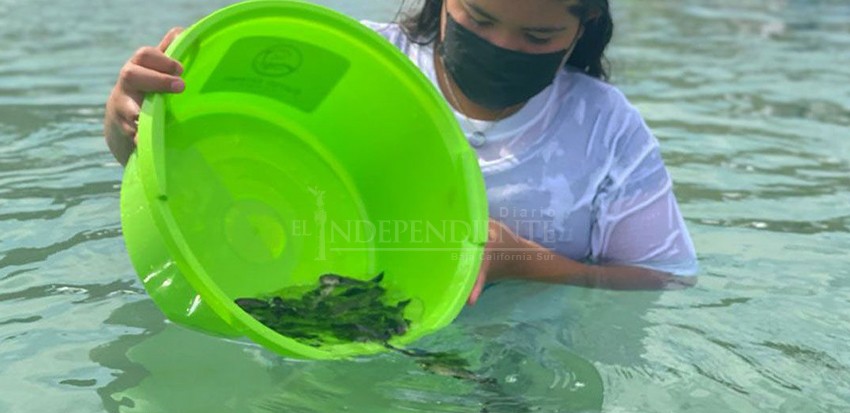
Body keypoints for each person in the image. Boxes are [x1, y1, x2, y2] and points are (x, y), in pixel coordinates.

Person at [103, 0, 698, 306]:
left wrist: (526, 262)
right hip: (321, 335)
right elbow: (195, 161)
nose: (501, 46)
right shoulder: (352, 67)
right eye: (479, 18)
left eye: (537, 37)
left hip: (511, 374)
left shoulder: (606, 125)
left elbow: (663, 280)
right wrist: (126, 122)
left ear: (585, 24)